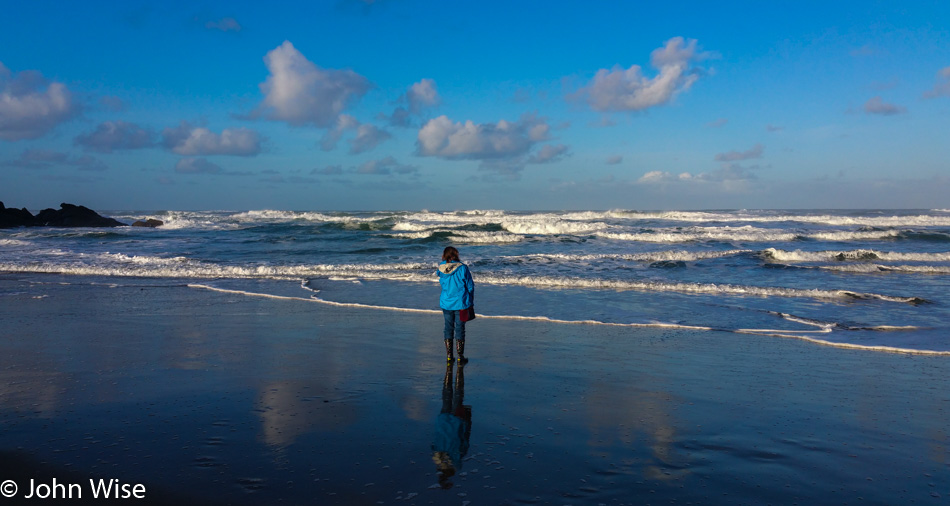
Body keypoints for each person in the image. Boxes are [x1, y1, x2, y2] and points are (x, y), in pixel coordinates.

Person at [437, 246, 475, 362]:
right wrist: (470, 301)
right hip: (461, 303)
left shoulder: (441, 268)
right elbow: (470, 286)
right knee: (460, 328)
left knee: (448, 328)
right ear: (456, 254)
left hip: (446, 302)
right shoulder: (463, 268)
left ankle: (449, 356)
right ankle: (460, 356)